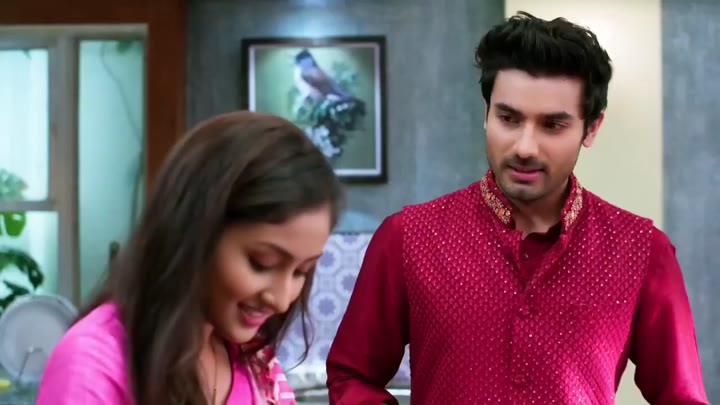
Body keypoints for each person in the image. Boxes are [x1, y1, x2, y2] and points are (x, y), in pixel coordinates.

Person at [326, 11, 709, 405]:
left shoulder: (642, 250)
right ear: (486, 114)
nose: (525, 147)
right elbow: (353, 375)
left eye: (552, 125)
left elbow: (682, 398)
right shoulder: (408, 237)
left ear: (591, 128)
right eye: (508, 118)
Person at [37, 111, 344, 404]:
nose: (281, 300)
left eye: (302, 271)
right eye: (261, 263)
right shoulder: (95, 365)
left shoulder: (253, 362)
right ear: (194, 231)